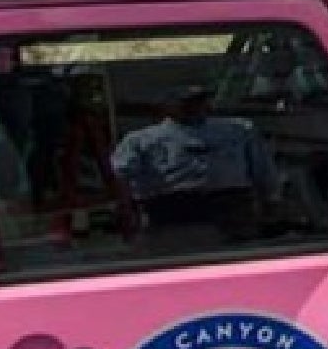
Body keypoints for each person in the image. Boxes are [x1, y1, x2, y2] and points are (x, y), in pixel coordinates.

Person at [111, 85, 276, 242]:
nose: (194, 107)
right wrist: (127, 211)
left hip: (231, 207)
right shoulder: (140, 139)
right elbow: (121, 175)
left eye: (199, 101)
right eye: (185, 102)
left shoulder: (238, 129)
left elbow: (262, 169)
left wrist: (270, 201)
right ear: (167, 106)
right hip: (173, 210)